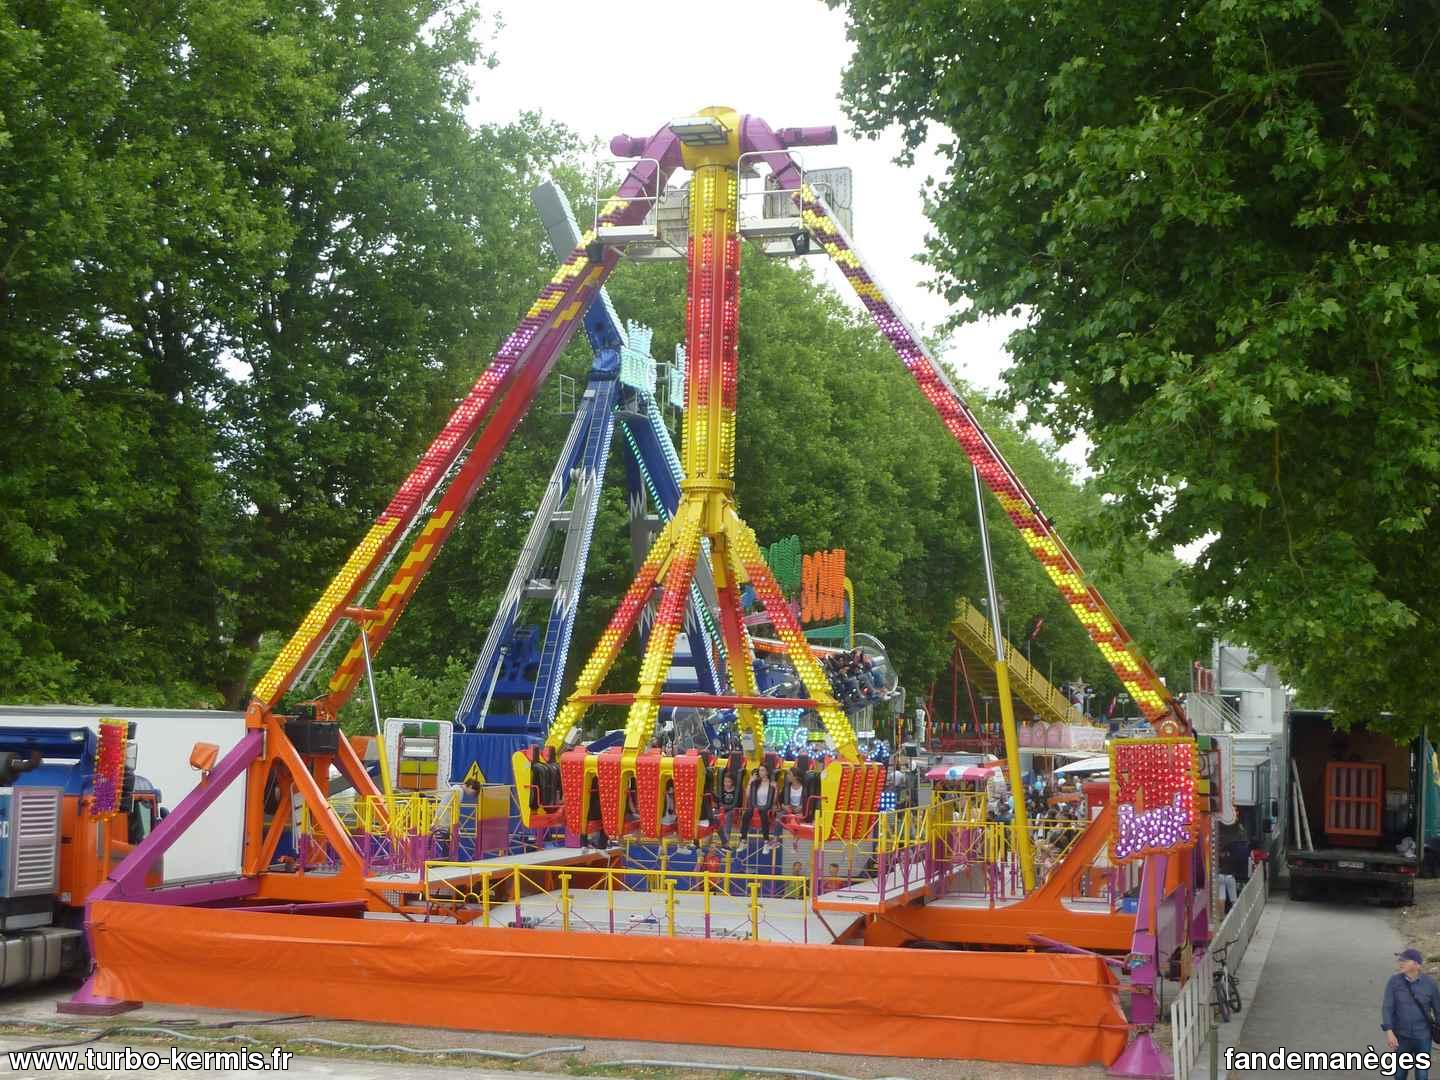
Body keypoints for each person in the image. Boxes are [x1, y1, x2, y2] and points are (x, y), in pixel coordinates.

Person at [1383, 948, 1440, 1079]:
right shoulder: (1394, 982)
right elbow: (1387, 1007)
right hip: (1401, 1036)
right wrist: (1389, 1032)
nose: (1400, 963)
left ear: (1417, 965)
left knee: (1422, 1075)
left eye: (1405, 960)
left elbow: (1438, 1010)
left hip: (1423, 1037)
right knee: (1400, 1074)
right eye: (1400, 960)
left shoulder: (1430, 984)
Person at [742, 764, 778, 851]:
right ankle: (743, 840)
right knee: (746, 815)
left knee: (764, 815)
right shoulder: (755, 783)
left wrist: (776, 789)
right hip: (755, 807)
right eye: (759, 770)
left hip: (766, 807)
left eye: (762, 770)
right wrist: (750, 782)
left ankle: (766, 842)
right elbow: (747, 796)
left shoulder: (772, 783)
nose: (760, 772)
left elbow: (774, 800)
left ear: (767, 772)